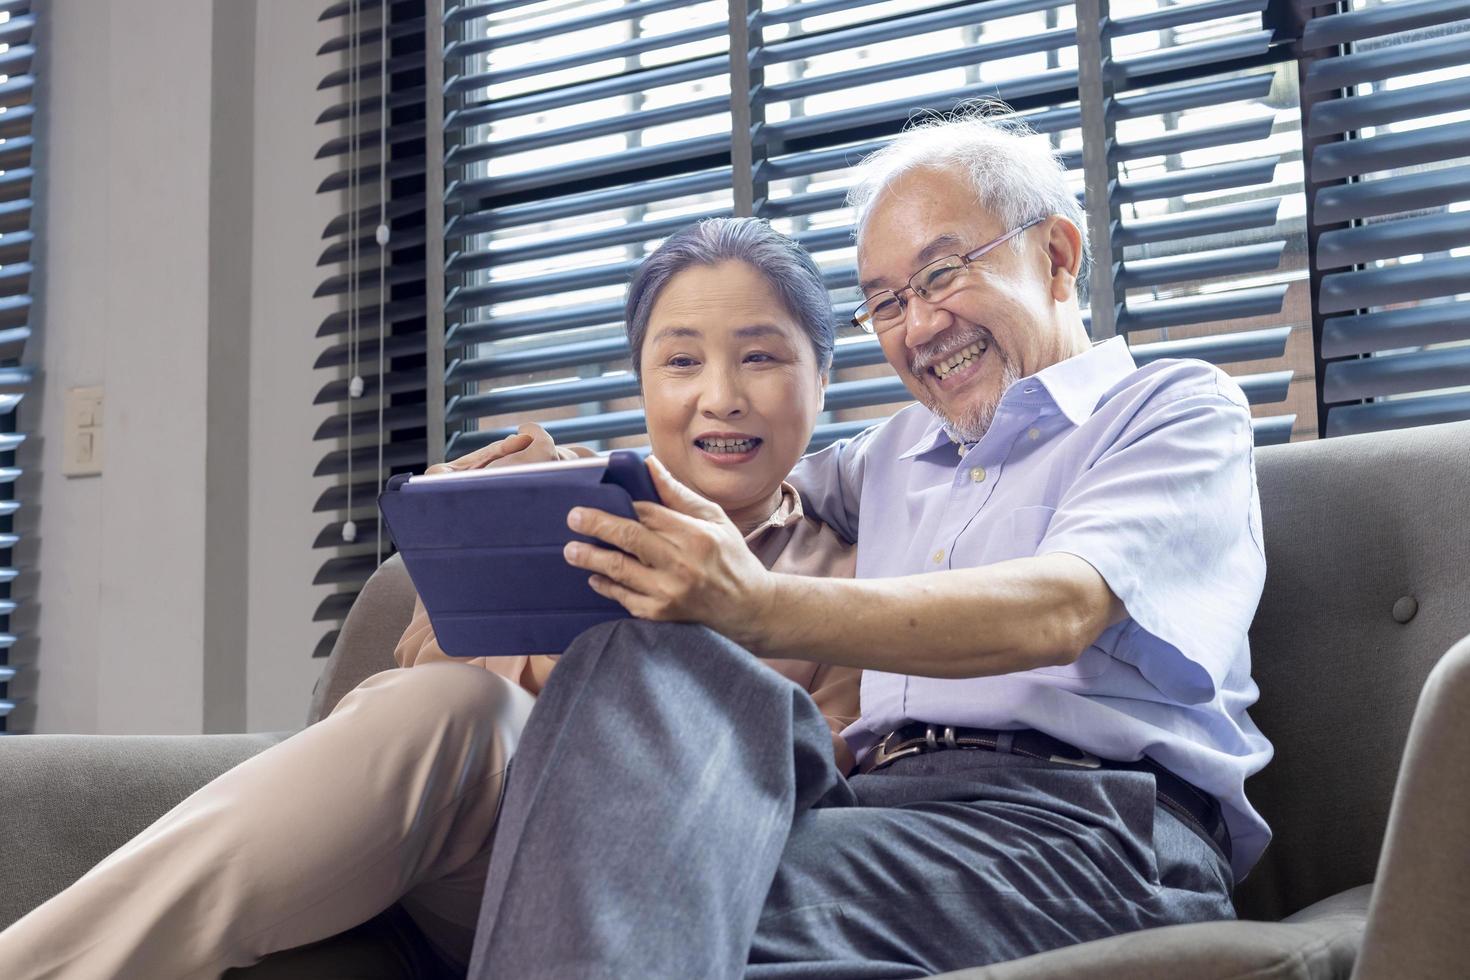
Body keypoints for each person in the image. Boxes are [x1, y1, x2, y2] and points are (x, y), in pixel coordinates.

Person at [462, 109, 1273, 978]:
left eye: (942, 274)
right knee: (632, 669)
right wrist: (558, 486)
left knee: (628, 888)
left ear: (1059, 256)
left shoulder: (1175, 411)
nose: (919, 326)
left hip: (1088, 825)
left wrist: (760, 605)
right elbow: (728, 476)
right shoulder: (889, 457)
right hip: (872, 809)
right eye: (887, 302)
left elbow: (1062, 607)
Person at [0, 218, 862, 978]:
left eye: (761, 356)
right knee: (457, 703)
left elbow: (825, 771)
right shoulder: (557, 504)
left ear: (821, 375)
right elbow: (421, 678)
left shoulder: (854, 575)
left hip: (658, 869)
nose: (721, 396)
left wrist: (650, 666)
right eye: (681, 360)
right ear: (642, 381)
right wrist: (477, 543)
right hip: (473, 856)